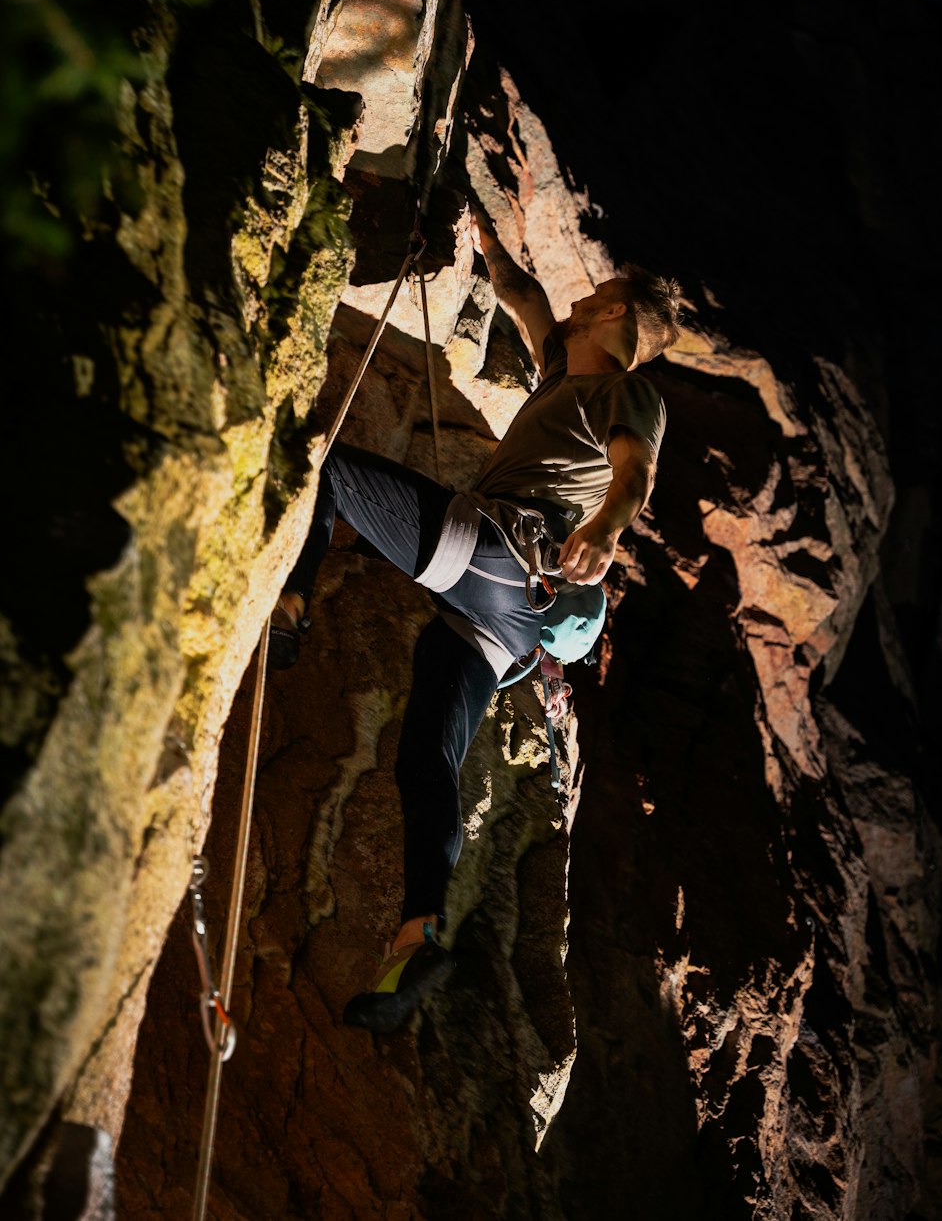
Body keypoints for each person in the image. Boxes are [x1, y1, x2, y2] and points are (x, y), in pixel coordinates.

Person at [269, 200, 681, 1034]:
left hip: (501, 552)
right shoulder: (570, 378)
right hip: (506, 621)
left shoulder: (630, 395)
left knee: (330, 474)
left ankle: (288, 607)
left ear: (613, 313)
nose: (575, 299)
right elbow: (527, 300)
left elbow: (632, 475)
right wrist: (484, 239)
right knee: (428, 756)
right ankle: (419, 934)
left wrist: (604, 528)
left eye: (592, 292)